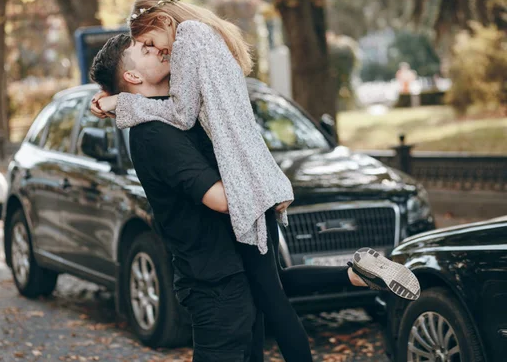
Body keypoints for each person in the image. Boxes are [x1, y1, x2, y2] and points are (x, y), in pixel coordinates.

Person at [89, 31, 420, 361]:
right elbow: (220, 194)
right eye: (144, 49)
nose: (157, 49)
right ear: (132, 75)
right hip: (220, 264)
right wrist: (118, 101)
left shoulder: (183, 104)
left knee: (271, 296)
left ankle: (356, 274)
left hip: (226, 260)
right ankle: (355, 274)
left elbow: (205, 148)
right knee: (272, 289)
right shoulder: (156, 131)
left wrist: (120, 100)